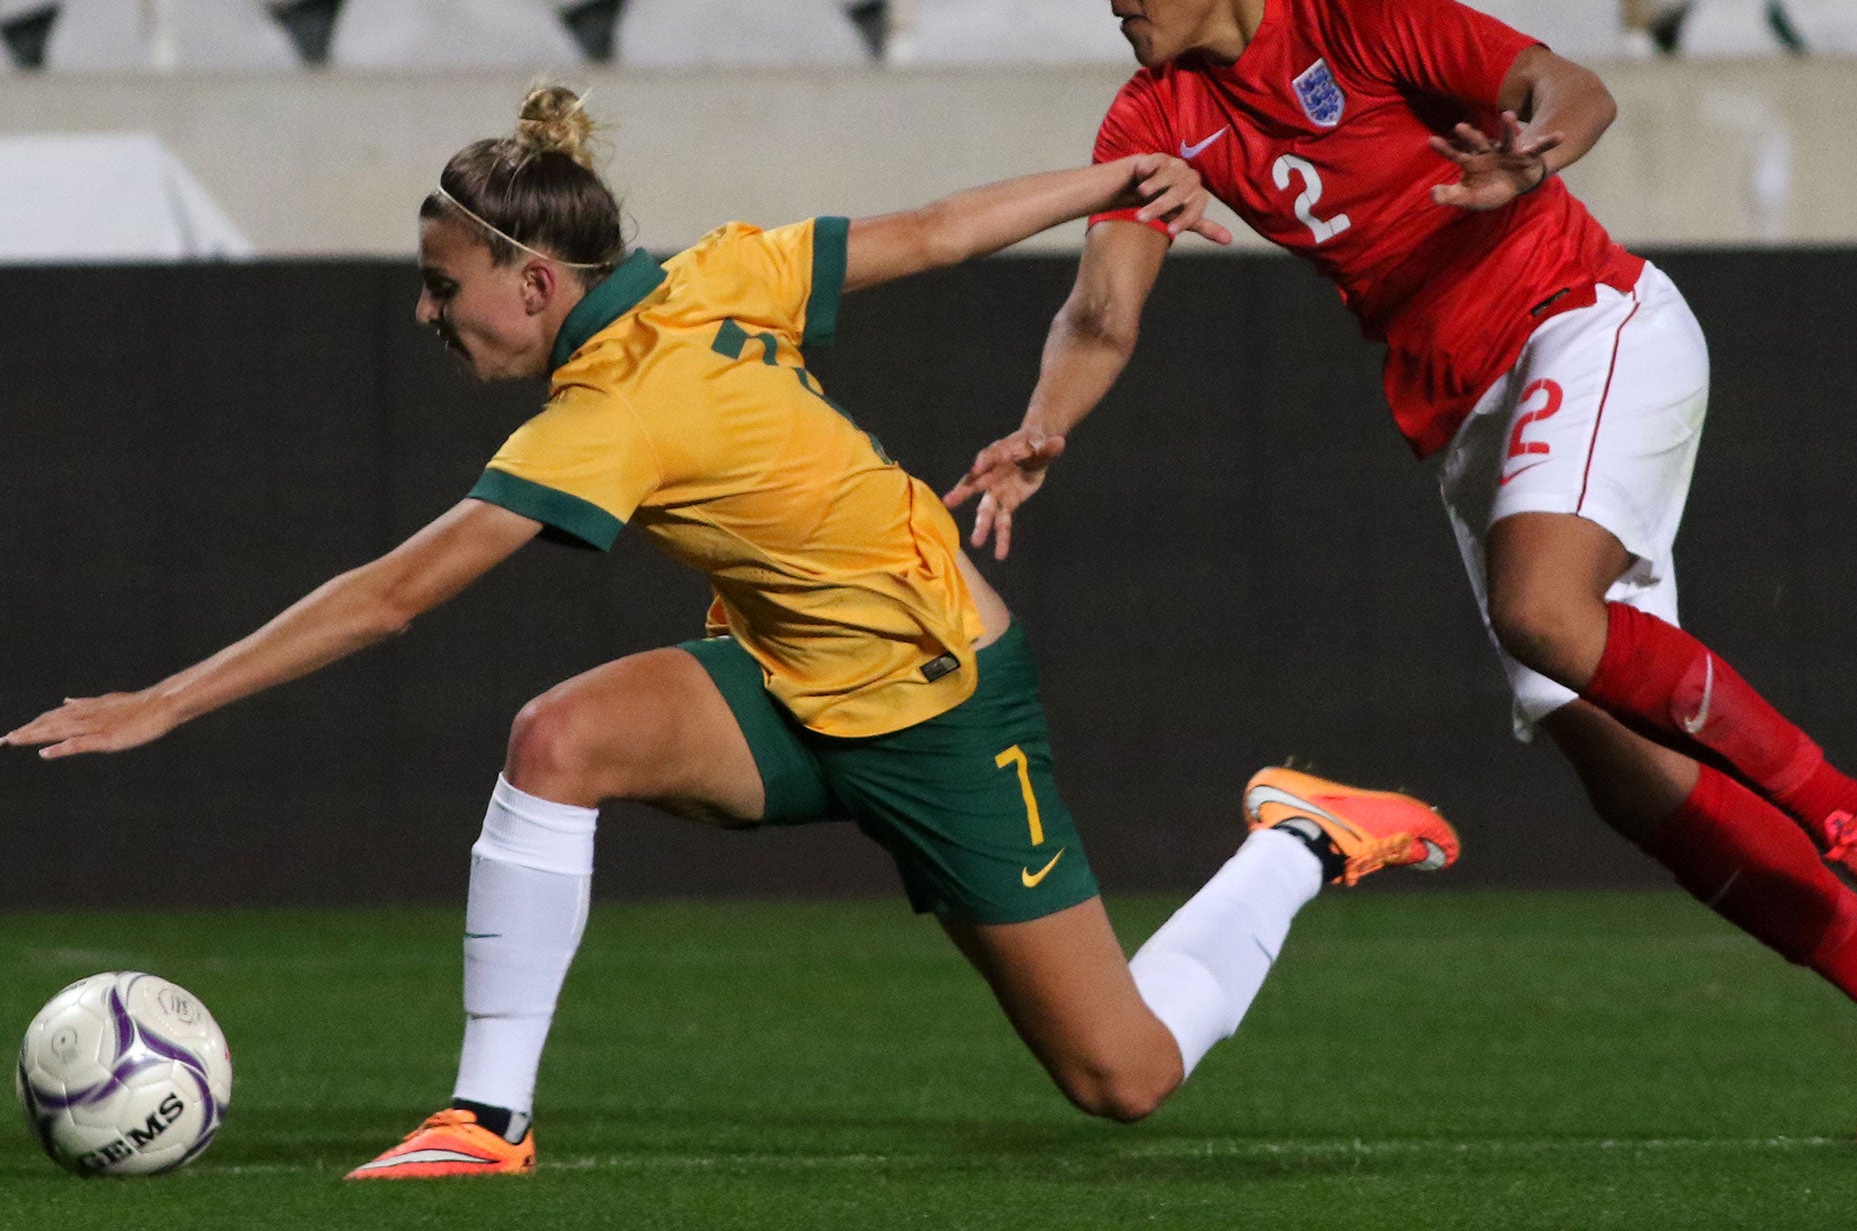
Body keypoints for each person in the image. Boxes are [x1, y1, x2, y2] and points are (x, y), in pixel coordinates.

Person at [5, 86, 1460, 1179]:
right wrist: (1120, 176)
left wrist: (164, 705)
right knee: (558, 741)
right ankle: (487, 1117)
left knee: (1123, 1078)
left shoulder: (611, 412)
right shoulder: (718, 271)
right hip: (783, 684)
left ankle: (1299, 835)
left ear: (535, 282)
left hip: (941, 706)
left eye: (443, 287)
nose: (427, 313)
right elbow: (945, 231)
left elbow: (395, 591)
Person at [943, 0, 1857, 1146]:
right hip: (1467, 416)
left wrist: (1532, 152)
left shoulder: (1357, 11)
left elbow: (1569, 85)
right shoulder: (1158, 114)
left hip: (1586, 318)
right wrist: (1045, 427)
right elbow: (1102, 312)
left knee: (1548, 617)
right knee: (1614, 759)